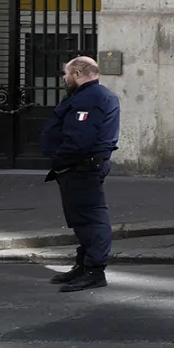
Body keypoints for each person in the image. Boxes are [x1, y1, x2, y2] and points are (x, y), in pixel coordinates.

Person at [40, 56, 121, 293]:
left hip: (82, 167)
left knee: (91, 220)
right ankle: (84, 265)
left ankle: (94, 271)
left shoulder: (91, 98)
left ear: (77, 73)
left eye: (66, 74)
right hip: (80, 167)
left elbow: (80, 139)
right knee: (82, 221)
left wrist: (59, 160)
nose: (64, 78)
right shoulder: (90, 95)